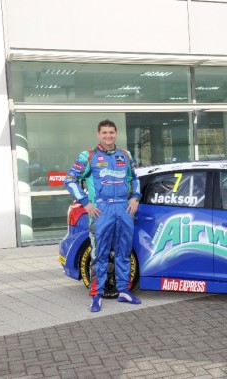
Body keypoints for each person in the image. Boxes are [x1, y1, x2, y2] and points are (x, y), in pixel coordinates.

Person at [64, 119, 142, 312]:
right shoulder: (89, 155)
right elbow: (70, 180)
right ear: (99, 135)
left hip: (124, 210)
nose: (108, 136)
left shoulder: (125, 154)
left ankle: (123, 290)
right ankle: (96, 296)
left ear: (116, 134)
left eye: (111, 132)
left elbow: (135, 179)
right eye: (104, 132)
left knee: (124, 252)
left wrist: (135, 198)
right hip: (101, 211)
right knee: (100, 255)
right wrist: (86, 203)